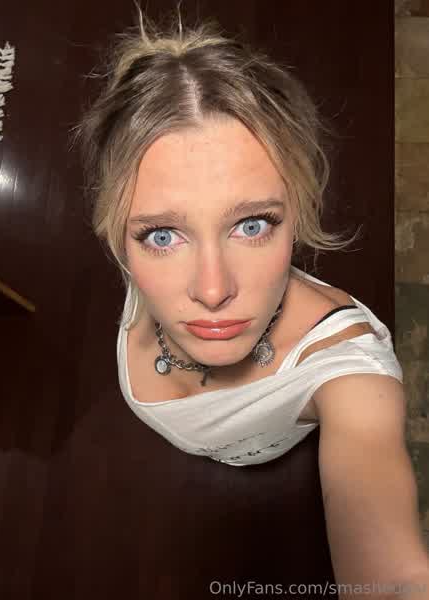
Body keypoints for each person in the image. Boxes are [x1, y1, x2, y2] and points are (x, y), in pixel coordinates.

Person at [72, 2, 429, 594]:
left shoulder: (353, 378)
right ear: (117, 230)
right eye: (163, 236)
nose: (213, 291)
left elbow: (393, 577)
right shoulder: (145, 268)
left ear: (298, 214)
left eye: (252, 225)